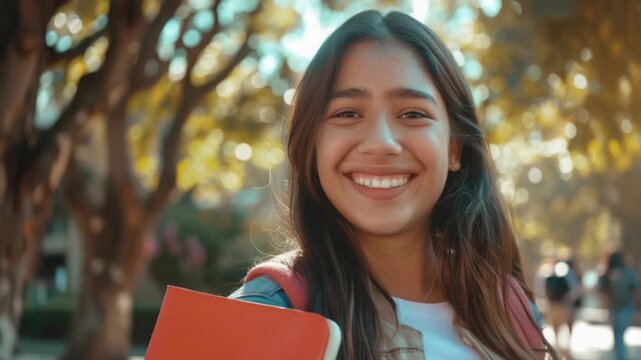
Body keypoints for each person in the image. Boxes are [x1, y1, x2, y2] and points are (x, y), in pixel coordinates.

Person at [229, 10, 556, 359]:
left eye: (412, 114)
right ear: (312, 146)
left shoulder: (508, 309)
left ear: (454, 148)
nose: (381, 142)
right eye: (347, 113)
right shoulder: (260, 317)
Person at [598, 251, 640, 360]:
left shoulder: (606, 273)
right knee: (620, 333)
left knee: (616, 333)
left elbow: (602, 291)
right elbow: (636, 289)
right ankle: (620, 356)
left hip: (613, 307)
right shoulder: (629, 272)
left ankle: (618, 355)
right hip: (626, 307)